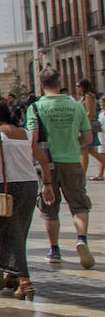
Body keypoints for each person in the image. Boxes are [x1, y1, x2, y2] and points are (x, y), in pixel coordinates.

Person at [0, 101, 53, 300]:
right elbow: (44, 161)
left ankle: (25, 281)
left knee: (6, 232)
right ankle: (12, 275)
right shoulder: (26, 133)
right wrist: (47, 184)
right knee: (19, 231)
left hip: (5, 188)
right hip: (29, 185)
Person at [26, 69, 95, 268]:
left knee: (49, 208)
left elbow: (33, 140)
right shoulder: (76, 106)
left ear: (40, 85)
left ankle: (54, 249)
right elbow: (88, 138)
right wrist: (73, 140)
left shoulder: (36, 108)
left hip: (47, 164)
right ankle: (81, 239)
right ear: (60, 82)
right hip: (72, 160)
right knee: (79, 204)